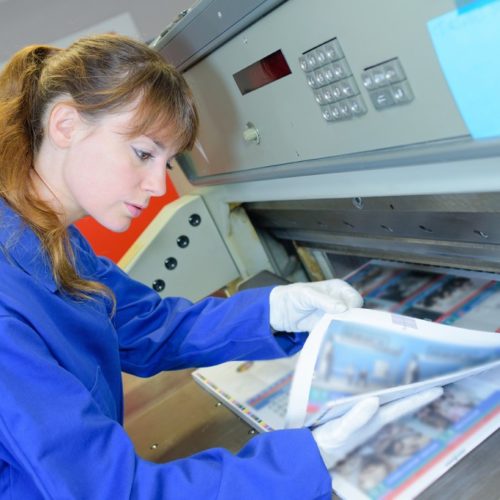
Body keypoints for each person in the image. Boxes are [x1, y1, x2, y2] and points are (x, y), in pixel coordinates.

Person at [0, 33, 440, 499]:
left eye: (168, 163)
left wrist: (274, 311)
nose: (157, 186)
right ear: (65, 124)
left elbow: (150, 327)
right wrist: (309, 458)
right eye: (143, 153)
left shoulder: (54, 241)